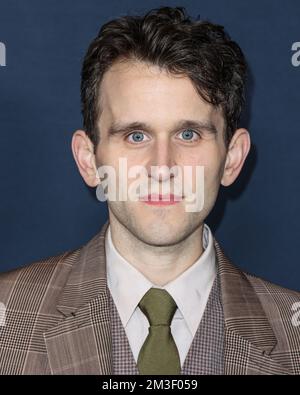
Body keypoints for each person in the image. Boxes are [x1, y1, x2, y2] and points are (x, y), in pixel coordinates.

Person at [0, 6, 299, 375]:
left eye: (188, 134)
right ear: (89, 160)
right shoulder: (6, 320)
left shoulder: (294, 337)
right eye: (136, 136)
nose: (162, 167)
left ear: (232, 159)